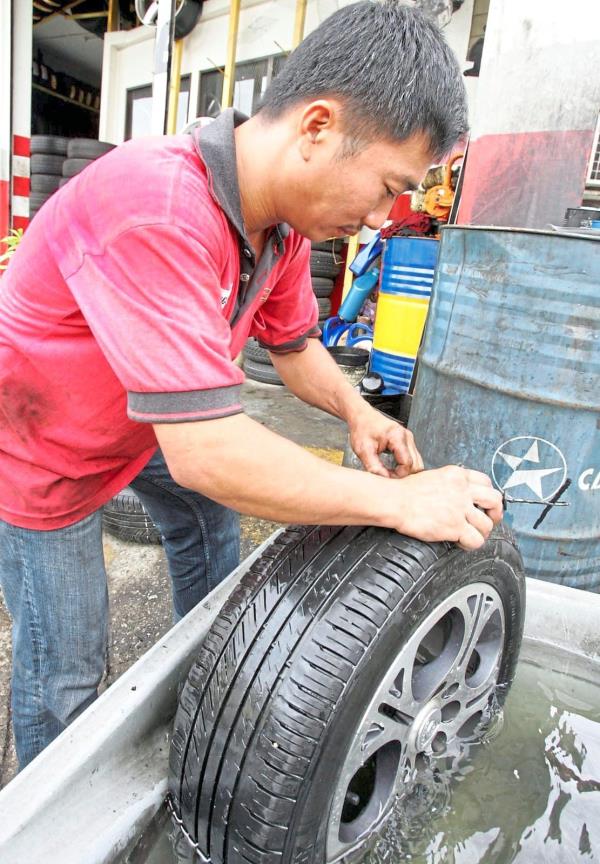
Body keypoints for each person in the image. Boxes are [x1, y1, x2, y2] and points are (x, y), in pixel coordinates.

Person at [0, 0, 502, 770]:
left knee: (209, 527)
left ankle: (223, 683)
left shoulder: (283, 225)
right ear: (318, 128)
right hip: (39, 455)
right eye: (384, 188)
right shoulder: (157, 207)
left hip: (137, 422)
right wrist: (402, 502)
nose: (376, 219)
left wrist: (357, 413)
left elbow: (294, 344)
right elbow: (209, 454)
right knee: (67, 675)